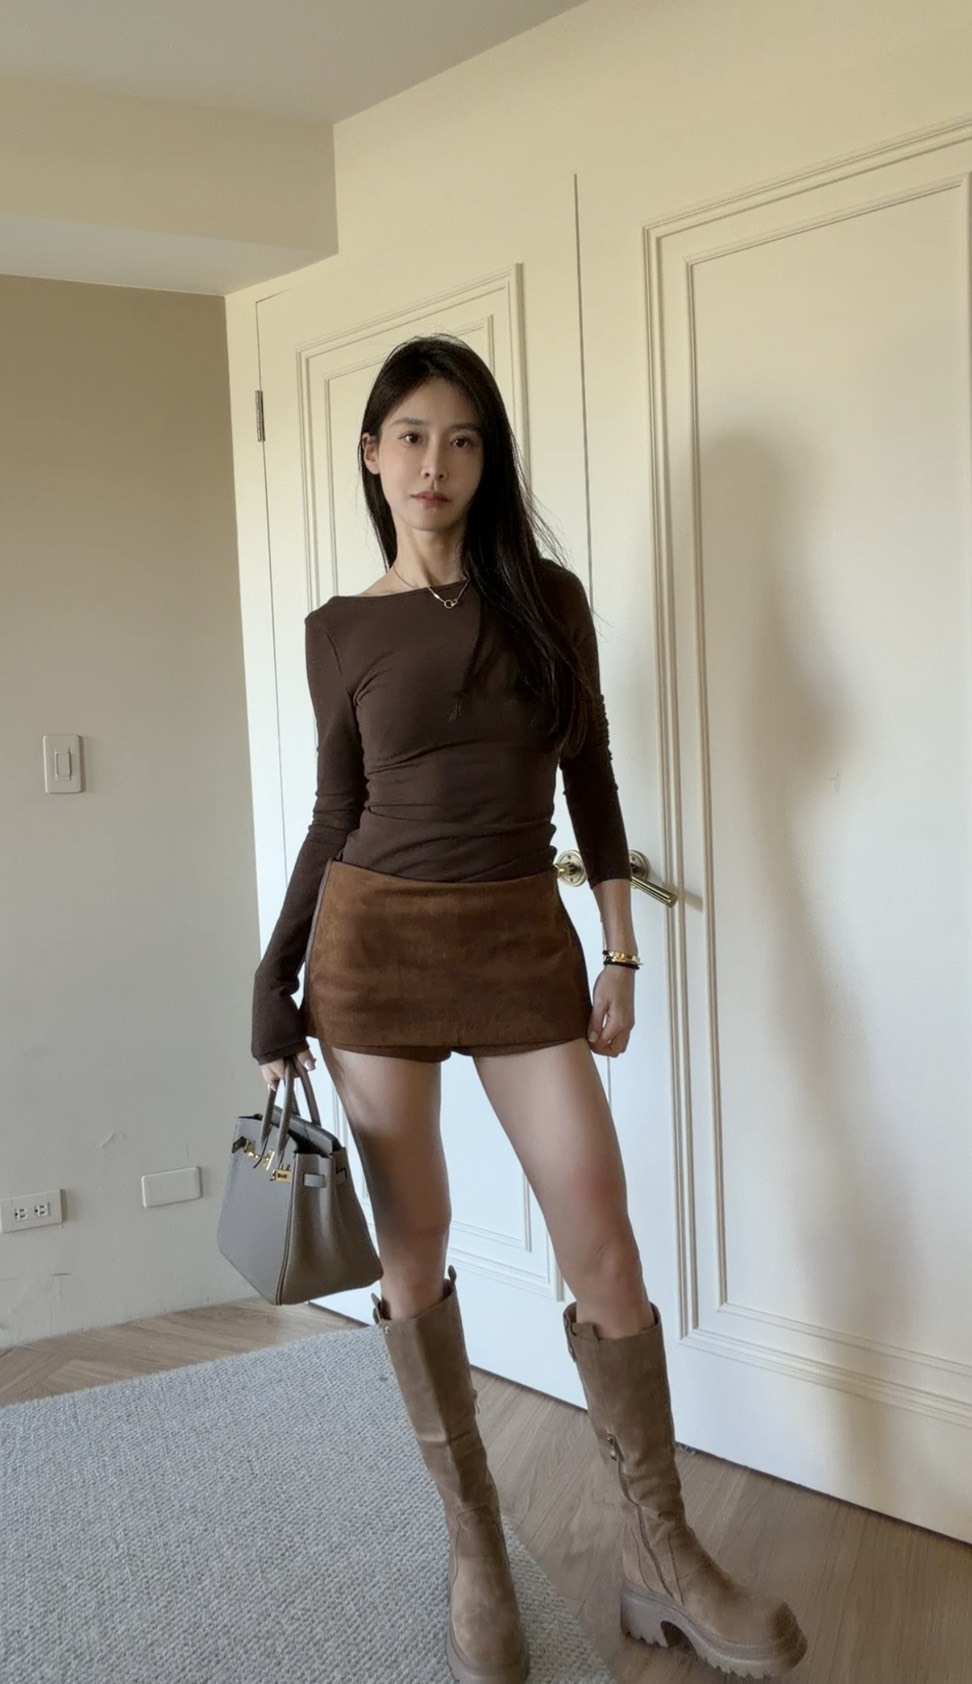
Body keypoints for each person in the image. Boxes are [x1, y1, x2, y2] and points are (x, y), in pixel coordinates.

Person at [250, 335, 806, 1684]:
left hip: (515, 939)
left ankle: (661, 1554)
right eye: (410, 436)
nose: (434, 464)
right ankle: (476, 1550)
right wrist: (275, 975)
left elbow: (591, 778)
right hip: (372, 950)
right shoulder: (340, 629)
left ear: (487, 460)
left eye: (463, 439)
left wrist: (619, 952)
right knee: (417, 1246)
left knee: (599, 1234)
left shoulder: (548, 601)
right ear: (372, 456)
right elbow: (336, 810)